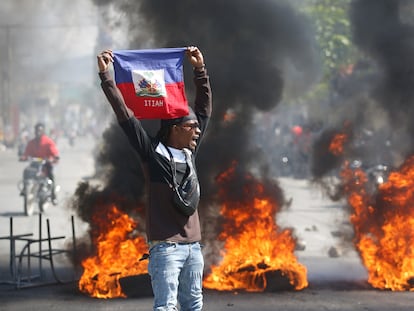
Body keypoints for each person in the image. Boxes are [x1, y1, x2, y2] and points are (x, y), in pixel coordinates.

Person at [97, 46, 212, 311]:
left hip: (193, 248)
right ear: (174, 129)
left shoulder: (189, 154)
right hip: (166, 250)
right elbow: (125, 115)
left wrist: (199, 70)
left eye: (196, 128)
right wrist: (107, 77)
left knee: (194, 304)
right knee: (166, 307)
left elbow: (204, 111)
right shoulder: (153, 154)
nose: (197, 131)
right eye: (190, 127)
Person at [20, 122, 60, 204]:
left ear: (43, 131)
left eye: (40, 130)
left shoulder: (48, 142)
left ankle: (53, 196)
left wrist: (54, 157)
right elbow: (26, 153)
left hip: (46, 164)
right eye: (36, 130)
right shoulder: (31, 143)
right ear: (34, 131)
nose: (38, 132)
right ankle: (25, 189)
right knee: (26, 171)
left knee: (51, 175)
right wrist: (24, 157)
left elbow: (54, 152)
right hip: (34, 164)